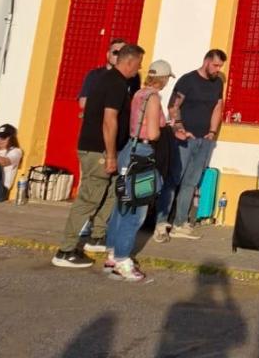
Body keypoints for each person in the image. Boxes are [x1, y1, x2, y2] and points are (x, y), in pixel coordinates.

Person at [52, 44, 144, 269]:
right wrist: (111, 155)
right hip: (98, 150)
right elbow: (109, 120)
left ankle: (97, 235)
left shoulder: (115, 81)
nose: (139, 68)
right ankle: (65, 249)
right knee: (89, 198)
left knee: (111, 191)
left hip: (106, 150)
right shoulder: (114, 83)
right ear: (129, 61)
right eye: (139, 63)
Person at [104, 60, 173, 282]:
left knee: (122, 204)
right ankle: (124, 260)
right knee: (137, 210)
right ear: (162, 79)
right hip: (143, 154)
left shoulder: (138, 94)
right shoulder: (153, 98)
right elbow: (153, 133)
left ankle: (113, 254)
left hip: (128, 151)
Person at [155, 49, 226, 242]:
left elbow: (218, 107)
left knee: (191, 183)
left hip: (204, 140)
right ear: (206, 61)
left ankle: (180, 223)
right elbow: (173, 106)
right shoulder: (188, 80)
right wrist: (179, 128)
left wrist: (212, 133)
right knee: (173, 180)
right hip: (185, 139)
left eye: (220, 66)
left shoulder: (218, 82)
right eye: (215, 65)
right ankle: (161, 224)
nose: (218, 69)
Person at [78, 38, 140, 111]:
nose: (119, 56)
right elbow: (83, 103)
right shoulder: (95, 75)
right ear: (108, 55)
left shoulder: (133, 76)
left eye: (122, 53)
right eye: (116, 53)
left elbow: (136, 103)